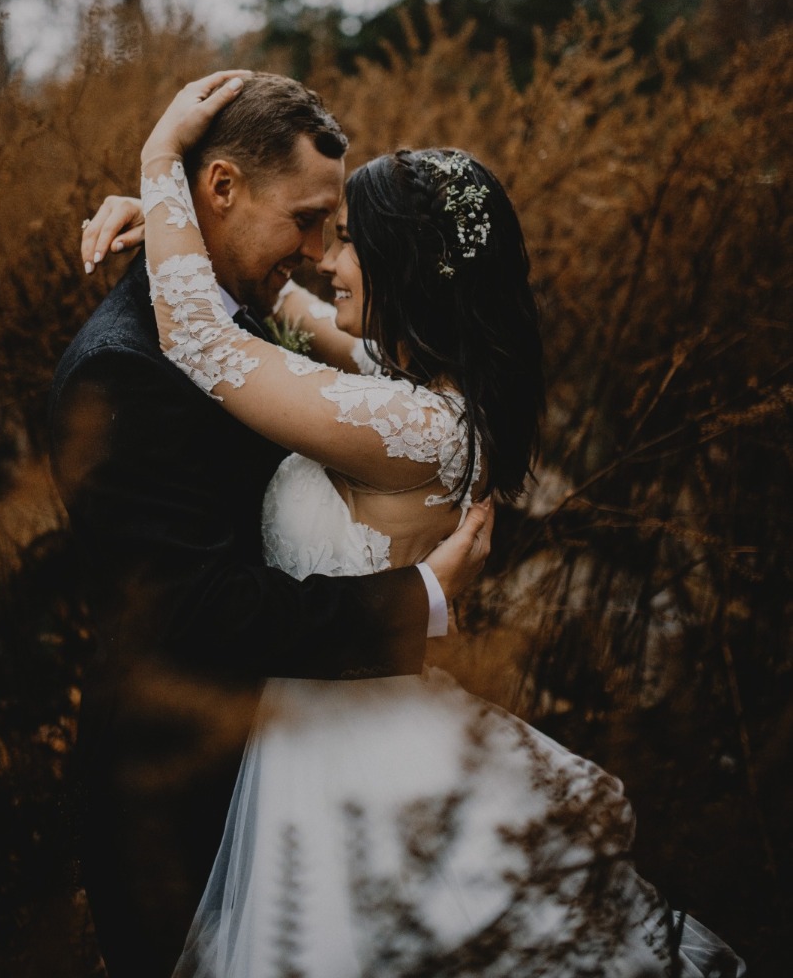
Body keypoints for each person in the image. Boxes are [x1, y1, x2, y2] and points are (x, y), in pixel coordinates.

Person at [89, 74, 745, 977]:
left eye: (348, 241)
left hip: (350, 759)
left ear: (405, 272)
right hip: (323, 732)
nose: (324, 258)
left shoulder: (417, 431)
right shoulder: (415, 384)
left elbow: (203, 340)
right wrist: (180, 222)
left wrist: (163, 159)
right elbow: (285, 306)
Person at [48, 72, 494, 978]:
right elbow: (195, 608)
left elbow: (232, 337)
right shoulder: (123, 372)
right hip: (181, 805)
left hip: (303, 779)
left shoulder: (247, 323)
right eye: (307, 220)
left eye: (339, 230)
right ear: (220, 189)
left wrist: (169, 203)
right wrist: (420, 602)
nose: (323, 253)